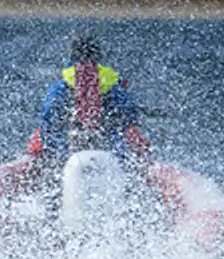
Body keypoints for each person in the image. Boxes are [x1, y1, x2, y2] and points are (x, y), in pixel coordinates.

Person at [27, 33, 152, 164]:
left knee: (39, 135)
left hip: (68, 145)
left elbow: (48, 116)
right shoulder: (112, 83)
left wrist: (57, 151)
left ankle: (28, 163)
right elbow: (129, 114)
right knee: (132, 132)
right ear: (99, 57)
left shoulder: (62, 86)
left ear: (72, 58)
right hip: (109, 143)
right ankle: (147, 166)